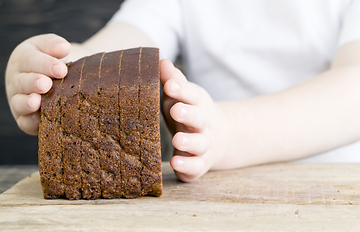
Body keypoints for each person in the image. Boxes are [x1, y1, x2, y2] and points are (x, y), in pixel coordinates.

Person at [5, 0, 360, 182]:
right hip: (214, 188)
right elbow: (119, 53)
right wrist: (55, 69)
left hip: (338, 189)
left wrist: (229, 132)